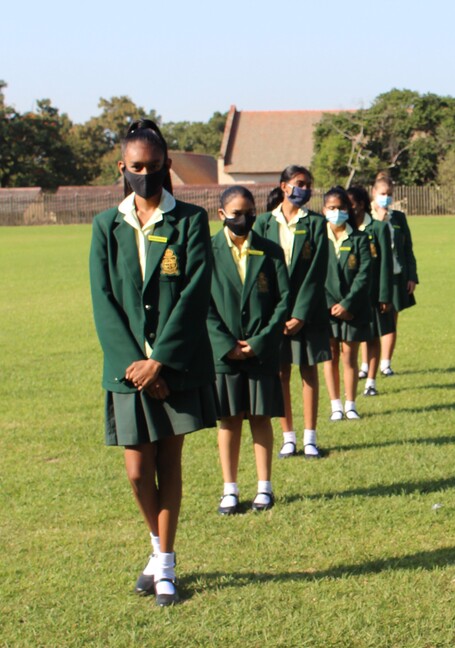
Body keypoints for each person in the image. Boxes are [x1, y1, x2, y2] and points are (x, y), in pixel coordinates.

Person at [89, 119, 216, 606]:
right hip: (127, 372)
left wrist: (160, 361)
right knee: (138, 472)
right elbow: (104, 301)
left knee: (169, 462)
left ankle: (165, 565)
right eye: (137, 166)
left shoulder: (189, 220)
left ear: (166, 166)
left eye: (155, 165)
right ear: (122, 168)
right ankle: (155, 545)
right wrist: (135, 365)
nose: (146, 173)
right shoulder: (106, 225)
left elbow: (193, 293)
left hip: (175, 365)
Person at [208, 186, 289, 516]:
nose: (244, 219)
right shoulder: (207, 250)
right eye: (236, 213)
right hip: (224, 354)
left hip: (261, 351)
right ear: (221, 214)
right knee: (228, 421)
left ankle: (264, 487)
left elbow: (284, 300)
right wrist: (226, 345)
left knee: (260, 417)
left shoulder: (269, 250)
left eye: (249, 212)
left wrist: (260, 341)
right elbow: (199, 303)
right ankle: (230, 489)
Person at [254, 165, 330, 459]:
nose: (305, 189)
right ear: (284, 186)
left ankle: (310, 437)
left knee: (309, 371)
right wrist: (277, 313)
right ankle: (288, 437)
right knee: (280, 372)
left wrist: (299, 313)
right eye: (300, 183)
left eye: (309, 185)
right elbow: (259, 270)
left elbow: (316, 272)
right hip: (274, 314)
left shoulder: (316, 223)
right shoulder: (263, 223)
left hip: (307, 313)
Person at [321, 187, 379, 422]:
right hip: (325, 309)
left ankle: (350, 403)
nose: (337, 212)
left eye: (341, 208)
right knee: (330, 356)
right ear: (324, 210)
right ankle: (335, 404)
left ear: (349, 209)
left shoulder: (360, 238)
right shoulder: (317, 237)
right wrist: (328, 304)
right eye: (332, 208)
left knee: (349, 357)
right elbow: (313, 275)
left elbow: (365, 274)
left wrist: (347, 304)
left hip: (352, 310)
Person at [348, 184, 395, 394]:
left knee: (374, 336)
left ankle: (371, 382)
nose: (348, 209)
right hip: (350, 295)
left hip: (374, 293)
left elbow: (385, 263)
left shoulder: (378, 228)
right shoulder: (344, 230)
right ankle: (357, 373)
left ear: (362, 204)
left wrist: (385, 295)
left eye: (352, 204)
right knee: (352, 341)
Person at [372, 174, 418, 377]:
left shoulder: (398, 217)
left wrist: (411, 276)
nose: (386, 198)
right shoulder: (366, 217)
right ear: (373, 193)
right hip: (374, 278)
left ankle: (385, 363)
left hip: (397, 275)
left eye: (389, 194)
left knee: (392, 319)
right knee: (371, 322)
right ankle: (366, 365)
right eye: (382, 194)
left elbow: (407, 248)